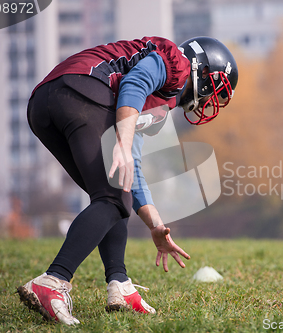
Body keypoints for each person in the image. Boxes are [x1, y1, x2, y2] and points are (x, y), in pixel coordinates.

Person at [16, 36, 238, 325]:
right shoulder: (178, 65)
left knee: (115, 192)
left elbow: (130, 166)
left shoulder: (159, 102)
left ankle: (119, 283)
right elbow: (135, 83)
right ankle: (53, 281)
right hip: (80, 91)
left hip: (46, 101)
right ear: (204, 73)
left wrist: (156, 224)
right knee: (113, 198)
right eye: (215, 90)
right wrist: (122, 139)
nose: (210, 101)